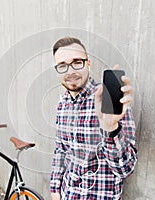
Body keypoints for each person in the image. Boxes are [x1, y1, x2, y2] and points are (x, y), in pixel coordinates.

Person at [50, 37, 138, 200]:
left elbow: (125, 170)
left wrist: (110, 128)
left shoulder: (108, 101)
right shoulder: (62, 104)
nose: (70, 71)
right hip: (67, 194)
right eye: (62, 65)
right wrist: (55, 189)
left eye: (77, 62)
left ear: (87, 63)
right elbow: (61, 149)